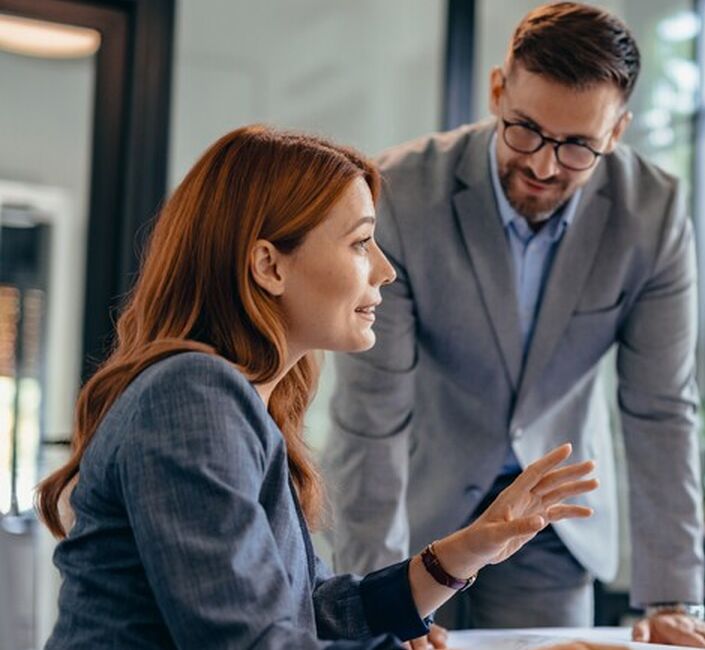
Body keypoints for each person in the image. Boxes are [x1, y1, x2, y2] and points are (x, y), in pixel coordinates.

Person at [35, 126, 603, 649]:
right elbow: (253, 642)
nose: (385, 270)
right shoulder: (191, 395)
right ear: (269, 266)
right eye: (360, 243)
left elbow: (312, 611)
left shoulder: (233, 402)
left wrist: (464, 552)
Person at [324, 2, 705, 646]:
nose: (542, 167)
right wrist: (379, 596)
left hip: (552, 525)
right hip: (418, 511)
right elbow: (372, 415)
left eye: (577, 147)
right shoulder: (401, 193)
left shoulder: (653, 213)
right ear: (497, 91)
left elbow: (661, 409)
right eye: (525, 130)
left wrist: (673, 599)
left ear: (617, 131)